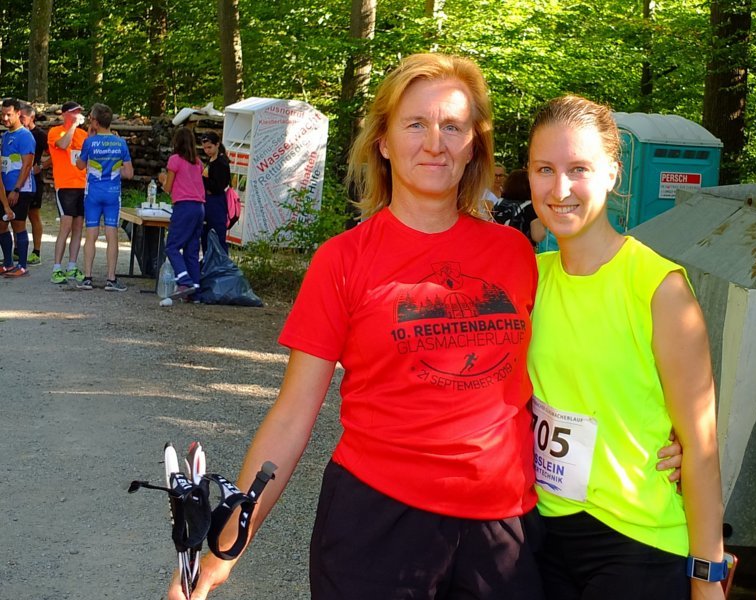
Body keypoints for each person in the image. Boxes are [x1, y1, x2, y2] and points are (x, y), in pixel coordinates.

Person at [169, 53, 545, 600]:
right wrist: (224, 551)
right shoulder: (342, 260)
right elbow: (292, 416)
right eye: (415, 124)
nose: (434, 143)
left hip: (504, 529)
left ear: (474, 145)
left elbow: (571, 369)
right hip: (376, 525)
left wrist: (663, 432)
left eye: (453, 126)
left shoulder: (517, 255)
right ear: (384, 142)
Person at [526, 95, 725, 600]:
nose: (560, 189)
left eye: (579, 169)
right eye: (545, 169)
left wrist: (708, 578)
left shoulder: (659, 287)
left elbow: (700, 449)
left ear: (613, 173)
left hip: (637, 544)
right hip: (543, 536)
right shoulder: (529, 278)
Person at [75, 102, 133, 291]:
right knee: (111, 234)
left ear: (95, 122)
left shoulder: (89, 142)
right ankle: (111, 279)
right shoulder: (120, 143)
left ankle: (87, 278)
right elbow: (129, 173)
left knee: (91, 234)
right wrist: (114, 170)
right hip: (112, 194)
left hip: (92, 193)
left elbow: (80, 165)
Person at [159, 127, 206, 300]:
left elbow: (168, 188)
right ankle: (196, 292)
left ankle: (184, 280)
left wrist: (163, 180)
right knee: (191, 250)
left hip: (184, 206)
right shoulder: (198, 162)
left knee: (172, 246)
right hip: (199, 207)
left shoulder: (175, 160)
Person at [48, 100, 88, 284]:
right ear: (64, 114)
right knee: (65, 226)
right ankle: (57, 268)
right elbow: (64, 145)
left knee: (78, 227)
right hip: (65, 186)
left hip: (82, 186)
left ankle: (72, 266)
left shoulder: (83, 135)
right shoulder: (55, 131)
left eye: (78, 112)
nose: (77, 115)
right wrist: (72, 126)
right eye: (73, 112)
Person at [0, 97, 36, 277]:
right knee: (2, 225)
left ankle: (22, 266)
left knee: (18, 225)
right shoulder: (5, 136)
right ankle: (7, 263)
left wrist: (16, 189)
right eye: (2, 114)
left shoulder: (25, 136)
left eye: (9, 114)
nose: (5, 118)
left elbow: (27, 165)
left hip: (21, 189)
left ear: (18, 113)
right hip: (4, 189)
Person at [18, 104, 48, 266]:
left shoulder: (40, 135)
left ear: (32, 118)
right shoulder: (16, 133)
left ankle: (36, 252)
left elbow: (54, 155)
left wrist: (41, 166)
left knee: (33, 214)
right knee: (17, 215)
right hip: (17, 179)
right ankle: (17, 250)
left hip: (34, 181)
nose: (20, 120)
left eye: (22, 117)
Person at [492, 169, 546, 248]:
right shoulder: (530, 206)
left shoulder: (499, 202)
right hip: (520, 249)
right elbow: (538, 236)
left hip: (498, 247)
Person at [199, 131, 231, 255]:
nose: (207, 150)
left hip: (216, 203)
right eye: (205, 148)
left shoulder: (221, 163)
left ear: (217, 145)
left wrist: (203, 180)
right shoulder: (211, 160)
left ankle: (220, 263)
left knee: (217, 237)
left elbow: (218, 186)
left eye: (209, 147)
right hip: (208, 202)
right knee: (206, 235)